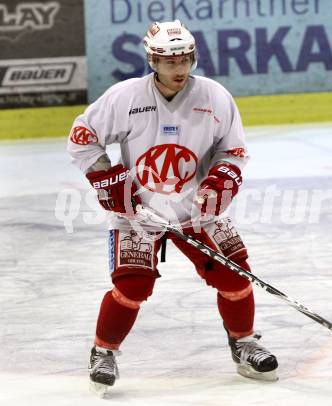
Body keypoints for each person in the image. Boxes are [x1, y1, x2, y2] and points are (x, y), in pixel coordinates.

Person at [67, 20, 278, 396]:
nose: (178, 69)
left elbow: (234, 149)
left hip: (198, 209)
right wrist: (107, 179)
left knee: (236, 277)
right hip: (139, 212)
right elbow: (82, 137)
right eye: (168, 61)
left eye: (184, 59)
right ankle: (103, 351)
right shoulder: (125, 97)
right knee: (132, 287)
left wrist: (224, 175)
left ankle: (243, 343)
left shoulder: (214, 97)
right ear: (153, 61)